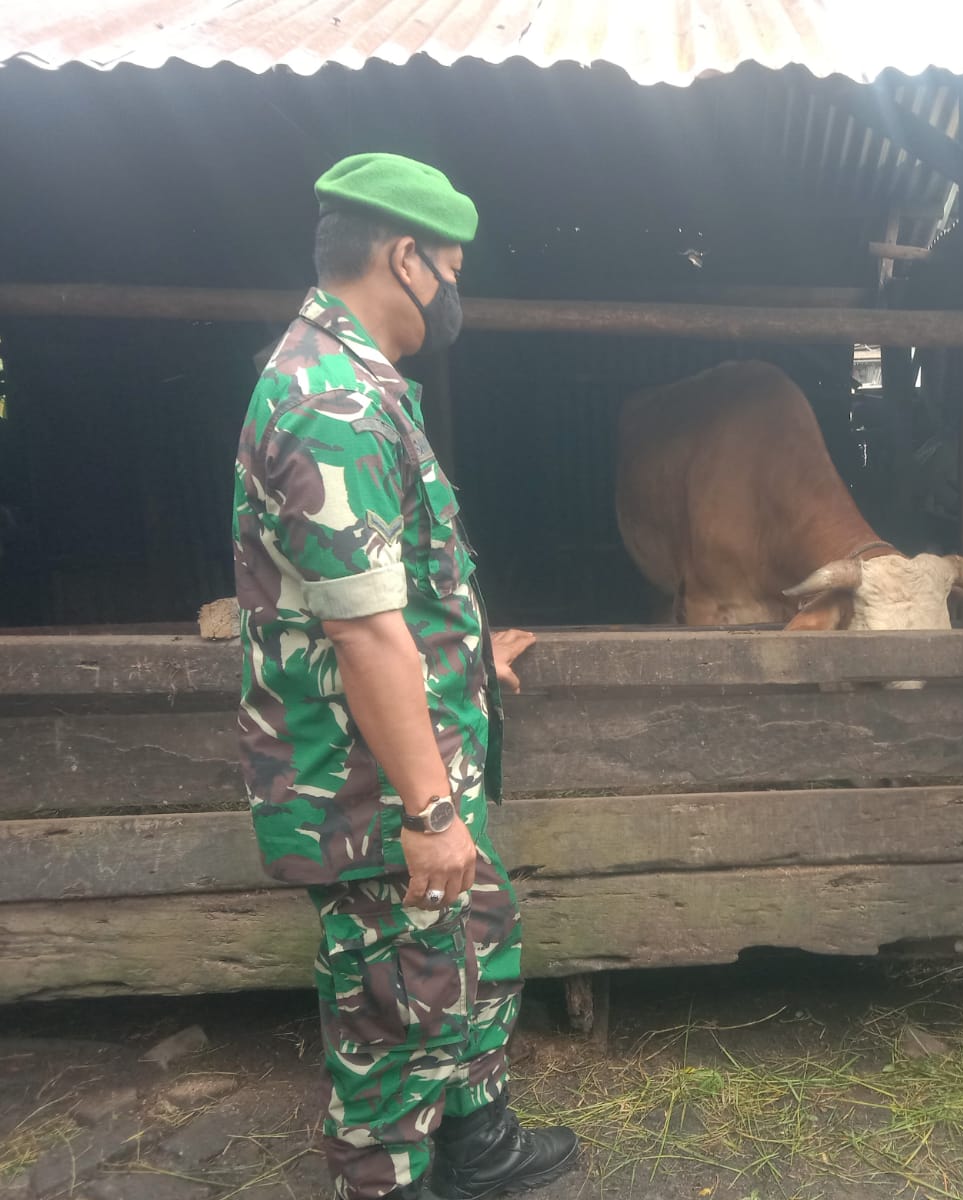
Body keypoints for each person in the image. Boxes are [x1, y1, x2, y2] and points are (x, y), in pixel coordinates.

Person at [233, 152, 579, 1200]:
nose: (458, 291)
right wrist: (428, 808)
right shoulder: (327, 403)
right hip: (371, 788)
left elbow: (381, 596)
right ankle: (387, 1178)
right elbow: (365, 637)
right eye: (453, 267)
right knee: (395, 995)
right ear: (404, 258)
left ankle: (475, 1142)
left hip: (411, 755)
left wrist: (471, 657)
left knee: (471, 939)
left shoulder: (358, 387)